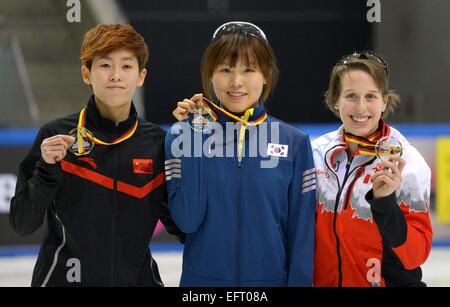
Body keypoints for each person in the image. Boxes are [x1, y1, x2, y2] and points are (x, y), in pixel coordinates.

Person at [9, 24, 183, 286]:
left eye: (126, 66)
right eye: (104, 65)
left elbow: (183, 227)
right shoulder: (55, 136)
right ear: (86, 73)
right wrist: (47, 168)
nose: (115, 75)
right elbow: (22, 223)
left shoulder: (158, 144)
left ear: (141, 76)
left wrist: (196, 146)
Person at [166, 21, 316, 286]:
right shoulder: (182, 136)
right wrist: (196, 134)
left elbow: (302, 236)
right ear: (210, 74)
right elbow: (187, 220)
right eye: (225, 69)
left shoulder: (294, 143)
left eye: (249, 70)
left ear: (266, 74)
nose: (236, 82)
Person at [312, 51, 433, 287]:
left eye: (370, 96)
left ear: (384, 101)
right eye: (351, 96)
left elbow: (416, 255)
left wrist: (385, 203)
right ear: (335, 99)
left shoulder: (408, 162)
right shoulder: (315, 154)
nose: (361, 107)